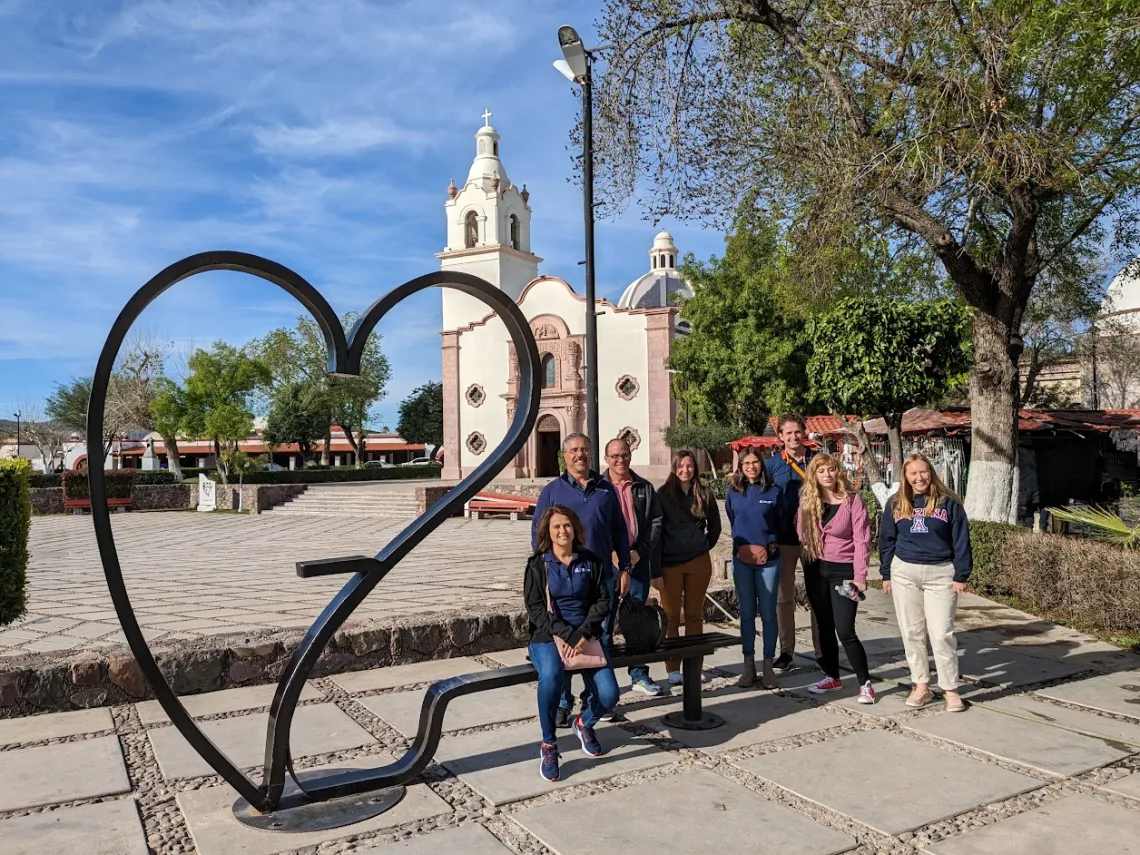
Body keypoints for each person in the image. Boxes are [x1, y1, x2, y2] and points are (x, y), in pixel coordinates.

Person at [532, 433, 631, 727]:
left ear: (591, 454)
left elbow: (620, 531)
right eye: (574, 450)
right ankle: (563, 702)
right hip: (565, 585)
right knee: (564, 643)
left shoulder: (606, 490)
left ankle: (594, 698)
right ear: (565, 456)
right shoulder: (552, 490)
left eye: (584, 450)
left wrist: (624, 567)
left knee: (599, 641)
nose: (580, 455)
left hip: (599, 584)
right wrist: (547, 572)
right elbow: (538, 535)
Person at [524, 505, 620, 782]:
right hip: (547, 636)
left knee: (609, 694)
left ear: (575, 528)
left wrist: (583, 633)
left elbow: (603, 601)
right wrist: (568, 635)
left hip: (586, 634)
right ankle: (549, 744)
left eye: (567, 525)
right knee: (552, 676)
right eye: (556, 527)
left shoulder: (591, 562)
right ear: (548, 532)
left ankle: (584, 722)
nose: (562, 531)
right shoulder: (538, 565)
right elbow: (536, 610)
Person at [880, 453, 972, 713]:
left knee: (942, 633)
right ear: (905, 477)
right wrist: (886, 574)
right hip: (905, 571)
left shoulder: (948, 503)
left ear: (931, 473)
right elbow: (887, 540)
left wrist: (961, 574)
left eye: (923, 472)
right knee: (912, 632)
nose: (919, 478)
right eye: (913, 474)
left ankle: (950, 688)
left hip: (940, 573)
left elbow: (961, 539)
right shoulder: (896, 503)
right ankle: (921, 684)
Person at [797, 453, 876, 703]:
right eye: (821, 471)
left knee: (845, 630)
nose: (827, 475)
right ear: (814, 475)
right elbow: (800, 529)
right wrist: (812, 545)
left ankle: (865, 683)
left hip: (843, 571)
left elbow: (862, 540)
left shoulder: (852, 501)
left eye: (831, 470)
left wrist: (860, 576)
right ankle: (832, 675)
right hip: (816, 569)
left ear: (838, 471)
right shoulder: (809, 500)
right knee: (824, 626)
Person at [603, 437, 665, 696]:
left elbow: (656, 522)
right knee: (604, 622)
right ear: (606, 459)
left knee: (638, 622)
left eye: (625, 454)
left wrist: (640, 552)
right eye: (615, 455)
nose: (621, 459)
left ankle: (639, 675)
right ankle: (603, 682)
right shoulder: (598, 488)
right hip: (608, 566)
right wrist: (612, 555)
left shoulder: (644, 487)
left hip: (638, 563)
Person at [658, 449, 722, 685]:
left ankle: (694, 666)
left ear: (695, 468)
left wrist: (703, 545)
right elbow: (656, 533)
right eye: (681, 466)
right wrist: (655, 569)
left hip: (698, 562)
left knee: (695, 616)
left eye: (690, 466)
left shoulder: (703, 493)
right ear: (674, 468)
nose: (685, 470)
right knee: (672, 617)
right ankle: (673, 668)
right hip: (670, 564)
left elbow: (715, 526)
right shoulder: (663, 495)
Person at [764, 414, 821, 672]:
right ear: (781, 437)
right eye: (788, 433)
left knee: (817, 595)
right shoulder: (772, 465)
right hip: (784, 538)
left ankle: (822, 650)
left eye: (797, 432)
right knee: (783, 598)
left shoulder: (817, 461)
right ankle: (786, 650)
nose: (793, 437)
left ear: (804, 432)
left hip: (813, 538)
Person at [725, 446, 785, 689]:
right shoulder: (733, 492)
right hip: (742, 561)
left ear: (762, 464)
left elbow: (781, 520)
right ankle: (748, 666)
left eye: (755, 462)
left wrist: (768, 544)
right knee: (747, 614)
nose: (751, 466)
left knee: (769, 614)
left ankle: (768, 667)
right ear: (740, 466)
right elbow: (732, 518)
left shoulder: (774, 492)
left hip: (769, 561)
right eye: (746, 463)